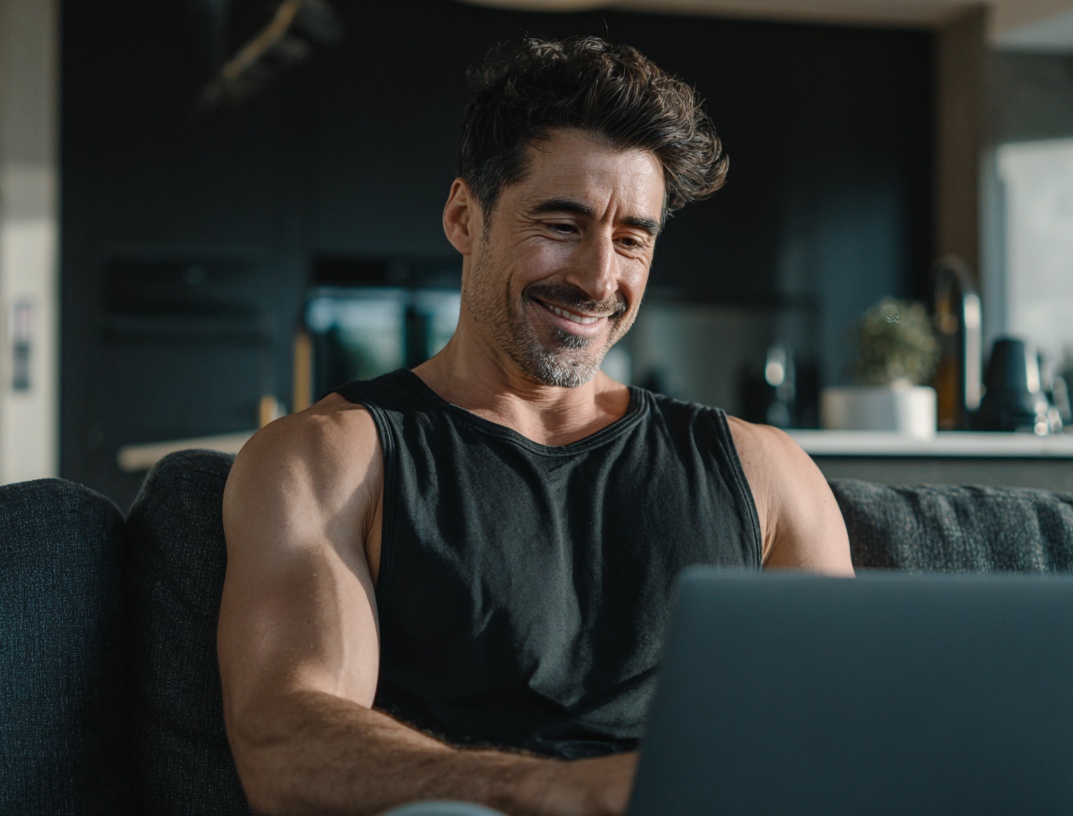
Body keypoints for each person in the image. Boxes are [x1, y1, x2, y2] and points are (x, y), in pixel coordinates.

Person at [218, 35, 853, 816]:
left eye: (631, 240)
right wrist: (559, 790)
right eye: (562, 224)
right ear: (463, 217)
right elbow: (287, 746)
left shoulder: (767, 472)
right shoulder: (329, 458)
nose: (598, 278)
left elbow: (840, 737)